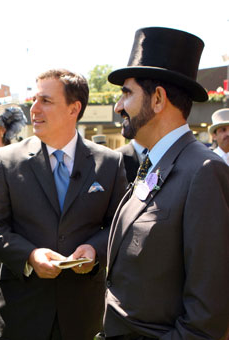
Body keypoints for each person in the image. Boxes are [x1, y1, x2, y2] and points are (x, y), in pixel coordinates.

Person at [0, 68, 128, 340]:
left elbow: (120, 224)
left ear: (74, 108)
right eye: (34, 100)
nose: (34, 109)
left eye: (45, 101)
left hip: (82, 315)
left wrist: (94, 250)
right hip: (21, 312)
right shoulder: (7, 160)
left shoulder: (109, 163)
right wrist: (30, 256)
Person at [104, 27, 229, 340]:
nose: (119, 106)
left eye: (127, 93)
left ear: (158, 98)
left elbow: (207, 316)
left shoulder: (204, 171)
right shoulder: (156, 162)